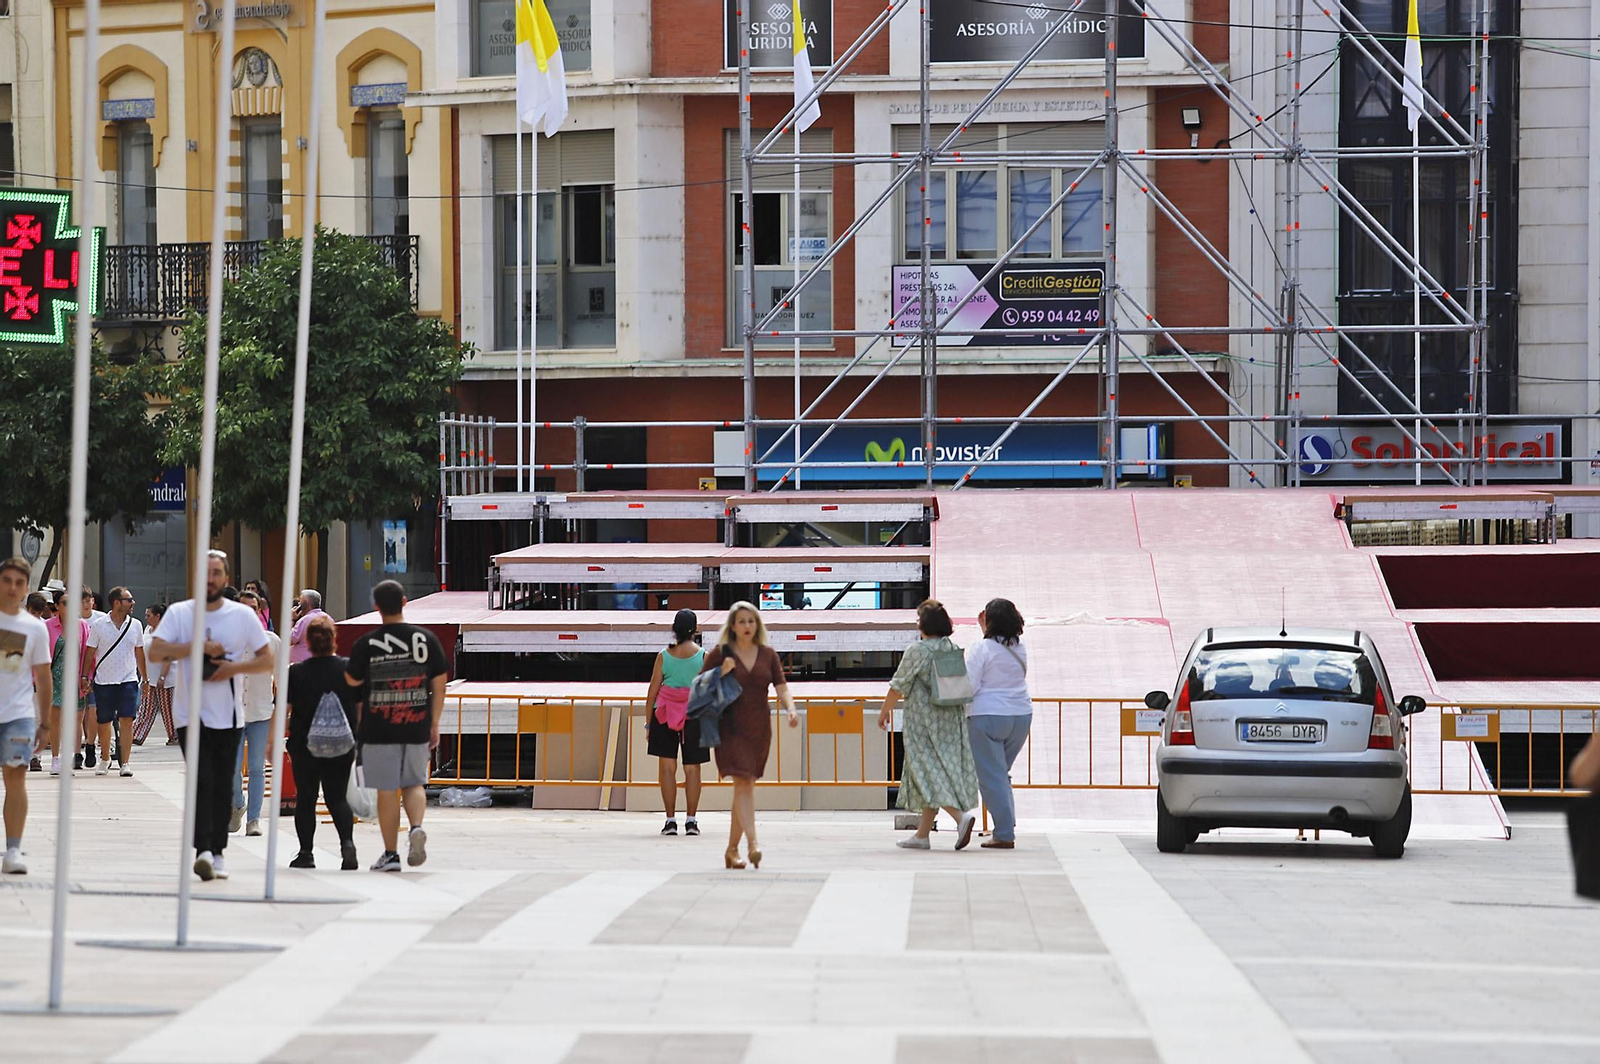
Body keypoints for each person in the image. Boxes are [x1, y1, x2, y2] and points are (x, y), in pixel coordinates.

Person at [148, 550, 273, 882]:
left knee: (221, 786)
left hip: (230, 715)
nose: (211, 578)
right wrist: (195, 647)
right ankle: (203, 849)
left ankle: (217, 851)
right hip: (191, 714)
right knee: (201, 780)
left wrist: (234, 667)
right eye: (205, 572)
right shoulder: (180, 614)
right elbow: (156, 651)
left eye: (217, 572)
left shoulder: (242, 617)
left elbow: (266, 660)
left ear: (226, 578)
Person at [345, 580, 447, 873]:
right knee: (414, 782)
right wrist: (434, 721)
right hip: (417, 722)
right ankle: (416, 827)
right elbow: (439, 683)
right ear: (404, 602)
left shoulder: (367, 643)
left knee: (387, 790)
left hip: (378, 727)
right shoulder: (425, 640)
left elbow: (352, 680)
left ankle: (390, 855)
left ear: (376, 607)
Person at [700, 601, 797, 870]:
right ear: (732, 625)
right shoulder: (721, 653)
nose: (746, 626)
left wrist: (791, 709)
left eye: (751, 621)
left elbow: (781, 686)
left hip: (759, 728)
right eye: (741, 621)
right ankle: (753, 843)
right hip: (730, 727)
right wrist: (722, 672)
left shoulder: (768, 654)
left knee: (744, 786)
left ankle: (731, 850)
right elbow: (700, 686)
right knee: (743, 782)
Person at [876, 600, 979, 851]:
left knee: (926, 771)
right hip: (950, 720)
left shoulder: (918, 651)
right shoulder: (950, 647)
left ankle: (959, 817)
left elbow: (898, 683)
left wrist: (884, 711)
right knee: (935, 770)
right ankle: (922, 835)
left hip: (923, 722)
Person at [286, 615, 359, 870]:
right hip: (342, 744)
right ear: (333, 640)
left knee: (305, 797)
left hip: (304, 744)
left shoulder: (296, 673)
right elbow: (360, 706)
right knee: (337, 797)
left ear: (308, 642)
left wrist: (278, 739)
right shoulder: (348, 668)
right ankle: (347, 843)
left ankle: (306, 853)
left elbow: (286, 708)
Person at [964, 598, 1032, 850]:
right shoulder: (1020, 647)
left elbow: (970, 685)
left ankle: (1004, 833)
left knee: (992, 776)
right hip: (1021, 715)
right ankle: (1006, 825)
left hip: (986, 716)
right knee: (1000, 774)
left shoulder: (980, 648)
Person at [0, 558, 52, 873]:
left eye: (19, 583)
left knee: (16, 778)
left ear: (27, 588)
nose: (12, 588)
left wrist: (45, 723)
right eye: (6, 580)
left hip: (18, 715)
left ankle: (13, 850)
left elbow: (43, 677)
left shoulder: (34, 628)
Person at [645, 609, 706, 837]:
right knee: (692, 770)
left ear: (674, 629)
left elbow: (652, 692)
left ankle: (670, 821)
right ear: (695, 629)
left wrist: (649, 724)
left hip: (664, 715)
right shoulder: (703, 656)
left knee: (667, 769)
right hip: (694, 716)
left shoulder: (663, 656)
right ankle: (691, 821)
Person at [231, 589, 282, 836]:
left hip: (262, 712)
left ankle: (254, 819)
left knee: (257, 768)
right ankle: (237, 804)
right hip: (232, 713)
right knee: (232, 767)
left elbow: (282, 681)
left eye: (253, 609)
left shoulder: (271, 641)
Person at [87, 586, 146, 777]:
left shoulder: (136, 625)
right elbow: (90, 652)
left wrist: (145, 679)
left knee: (127, 720)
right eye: (129, 600)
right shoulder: (99, 625)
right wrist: (84, 677)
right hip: (104, 680)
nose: (133, 603)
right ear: (117, 602)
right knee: (103, 721)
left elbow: (139, 652)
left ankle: (126, 762)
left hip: (128, 679)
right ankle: (105, 758)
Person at [47, 588, 93, 775]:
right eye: (66, 603)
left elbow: (89, 655)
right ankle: (55, 759)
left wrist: (86, 677)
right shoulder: (48, 626)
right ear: (57, 606)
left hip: (75, 680)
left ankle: (71, 758)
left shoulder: (81, 626)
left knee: (75, 721)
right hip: (54, 680)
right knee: (56, 720)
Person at [135, 603, 178, 747]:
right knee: (146, 708)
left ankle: (174, 736)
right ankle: (137, 735)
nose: (146, 618)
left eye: (149, 615)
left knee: (167, 710)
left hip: (165, 678)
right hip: (149, 677)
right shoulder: (148, 629)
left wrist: (162, 677)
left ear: (158, 616)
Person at [289, 589, 329, 665]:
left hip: (303, 664)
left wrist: (291, 619)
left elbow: (289, 640)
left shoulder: (304, 620)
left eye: (300, 600)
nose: (298, 603)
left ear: (305, 604)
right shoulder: (329, 618)